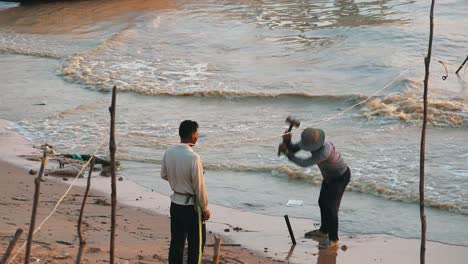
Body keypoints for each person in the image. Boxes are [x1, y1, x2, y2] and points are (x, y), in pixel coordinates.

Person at [279, 127, 350, 249]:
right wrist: (288, 142)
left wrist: (286, 153)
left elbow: (304, 163)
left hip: (340, 177)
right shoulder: (312, 142)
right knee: (322, 202)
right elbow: (294, 149)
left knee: (331, 207)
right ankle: (323, 231)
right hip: (329, 177)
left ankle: (333, 238)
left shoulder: (325, 151)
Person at [161, 120, 210, 264]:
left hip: (175, 203)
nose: (197, 136)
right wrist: (205, 208)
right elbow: (199, 188)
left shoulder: (169, 152)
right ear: (192, 135)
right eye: (196, 133)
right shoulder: (194, 158)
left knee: (176, 243)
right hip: (192, 208)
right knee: (196, 245)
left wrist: (178, 180)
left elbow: (164, 174)